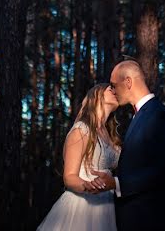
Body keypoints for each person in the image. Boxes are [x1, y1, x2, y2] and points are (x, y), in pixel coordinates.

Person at [90, 59, 165, 231]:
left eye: (114, 85)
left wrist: (115, 183)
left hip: (149, 219)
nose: (113, 91)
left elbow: (160, 171)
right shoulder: (140, 115)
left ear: (128, 82)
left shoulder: (159, 115)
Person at [37, 83, 122, 230]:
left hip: (106, 206)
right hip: (81, 206)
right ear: (96, 96)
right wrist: (88, 186)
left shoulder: (110, 135)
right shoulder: (81, 130)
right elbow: (69, 177)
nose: (115, 91)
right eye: (110, 89)